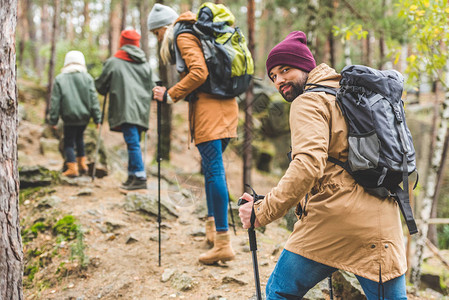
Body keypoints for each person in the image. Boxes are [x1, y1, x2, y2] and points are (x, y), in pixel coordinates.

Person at [238, 31, 408, 299]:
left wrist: (262, 212)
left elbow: (307, 166)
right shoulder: (349, 97)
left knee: (279, 291)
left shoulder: (308, 101)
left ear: (306, 67)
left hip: (334, 221)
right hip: (384, 219)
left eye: (285, 70)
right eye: (273, 76)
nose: (279, 80)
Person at [148, 4, 238, 264]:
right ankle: (213, 231)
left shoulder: (183, 34)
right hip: (224, 107)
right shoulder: (195, 32)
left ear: (163, 27)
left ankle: (223, 241)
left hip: (210, 112)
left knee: (214, 171)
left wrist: (170, 94)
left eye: (156, 33)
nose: (157, 39)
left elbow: (200, 72)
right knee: (211, 171)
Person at [95, 29, 155, 192]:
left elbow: (100, 86)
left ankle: (140, 176)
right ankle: (132, 175)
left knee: (132, 142)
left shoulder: (114, 62)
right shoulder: (145, 64)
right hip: (142, 109)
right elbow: (153, 87)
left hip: (125, 107)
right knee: (133, 142)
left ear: (122, 43)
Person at [48, 50, 101, 177]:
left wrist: (53, 120)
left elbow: (55, 101)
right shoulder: (87, 78)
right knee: (80, 139)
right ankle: (82, 164)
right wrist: (97, 118)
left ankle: (72, 168)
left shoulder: (60, 79)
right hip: (84, 118)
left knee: (69, 142)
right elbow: (93, 99)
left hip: (69, 117)